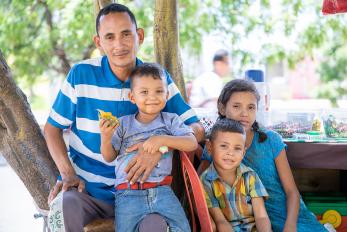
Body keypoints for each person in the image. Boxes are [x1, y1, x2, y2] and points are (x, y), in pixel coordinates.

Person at [43, 3, 204, 232]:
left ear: (139, 36)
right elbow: (52, 129)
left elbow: (196, 129)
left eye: (126, 34)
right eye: (109, 37)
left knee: (156, 225)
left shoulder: (155, 81)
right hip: (89, 192)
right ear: (99, 43)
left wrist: (157, 150)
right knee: (64, 209)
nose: (119, 44)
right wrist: (68, 174)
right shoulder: (81, 75)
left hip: (143, 193)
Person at [200, 79, 326, 232]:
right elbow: (200, 188)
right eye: (236, 106)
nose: (244, 113)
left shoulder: (271, 140)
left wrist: (290, 226)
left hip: (288, 216)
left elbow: (292, 191)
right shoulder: (216, 145)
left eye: (251, 107)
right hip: (249, 224)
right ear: (221, 107)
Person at [100, 63, 196, 232]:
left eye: (159, 91)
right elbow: (109, 156)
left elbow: (191, 142)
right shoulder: (123, 124)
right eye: (144, 92)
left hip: (162, 190)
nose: (152, 97)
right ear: (132, 97)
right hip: (127, 193)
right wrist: (106, 138)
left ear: (167, 95)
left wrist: (161, 140)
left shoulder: (170, 120)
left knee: (183, 228)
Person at [200, 118, 271, 232]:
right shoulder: (205, 181)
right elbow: (220, 221)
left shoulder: (250, 176)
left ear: (243, 152)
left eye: (237, 148)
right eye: (224, 146)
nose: (230, 153)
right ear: (210, 147)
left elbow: (261, 216)